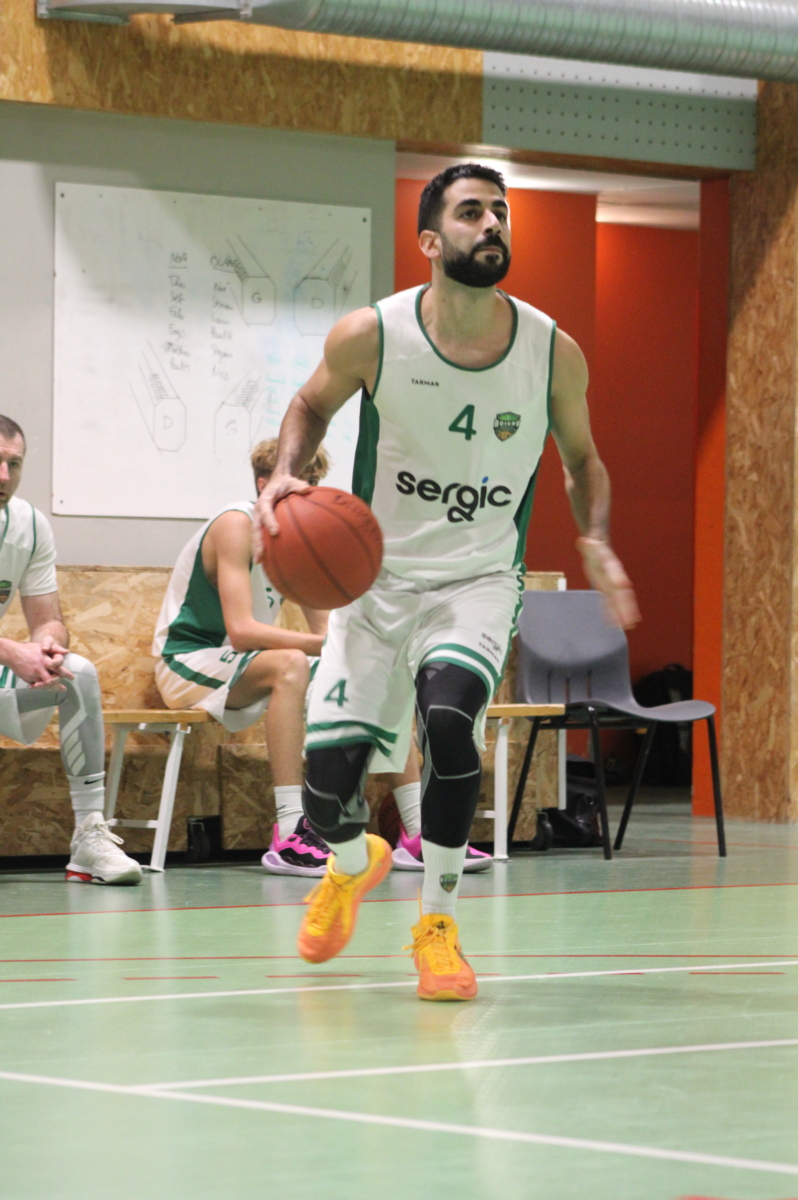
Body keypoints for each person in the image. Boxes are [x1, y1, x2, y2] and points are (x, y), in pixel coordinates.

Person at [256, 163, 639, 1000]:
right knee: (326, 791)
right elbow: (311, 406)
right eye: (471, 213)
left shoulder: (550, 350)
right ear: (430, 241)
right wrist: (285, 473)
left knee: (449, 721)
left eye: (500, 211)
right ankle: (350, 863)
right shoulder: (373, 334)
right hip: (376, 584)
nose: (492, 223)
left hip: (477, 578)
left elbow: (582, 460)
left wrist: (595, 536)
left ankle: (437, 925)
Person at [151, 438, 479, 876]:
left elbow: (324, 634)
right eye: (297, 481)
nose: (305, 493)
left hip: (242, 664)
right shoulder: (236, 523)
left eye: (313, 483)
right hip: (187, 659)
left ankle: (420, 832)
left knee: (375, 673)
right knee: (289, 664)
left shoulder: (297, 539)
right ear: (265, 485)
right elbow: (242, 632)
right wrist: (327, 647)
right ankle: (291, 830)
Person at [0, 414, 142, 884]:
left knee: (76, 673)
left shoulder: (29, 525)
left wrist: (47, 646)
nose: (5, 476)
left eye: (14, 464)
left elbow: (49, 620)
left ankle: (89, 836)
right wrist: (10, 652)